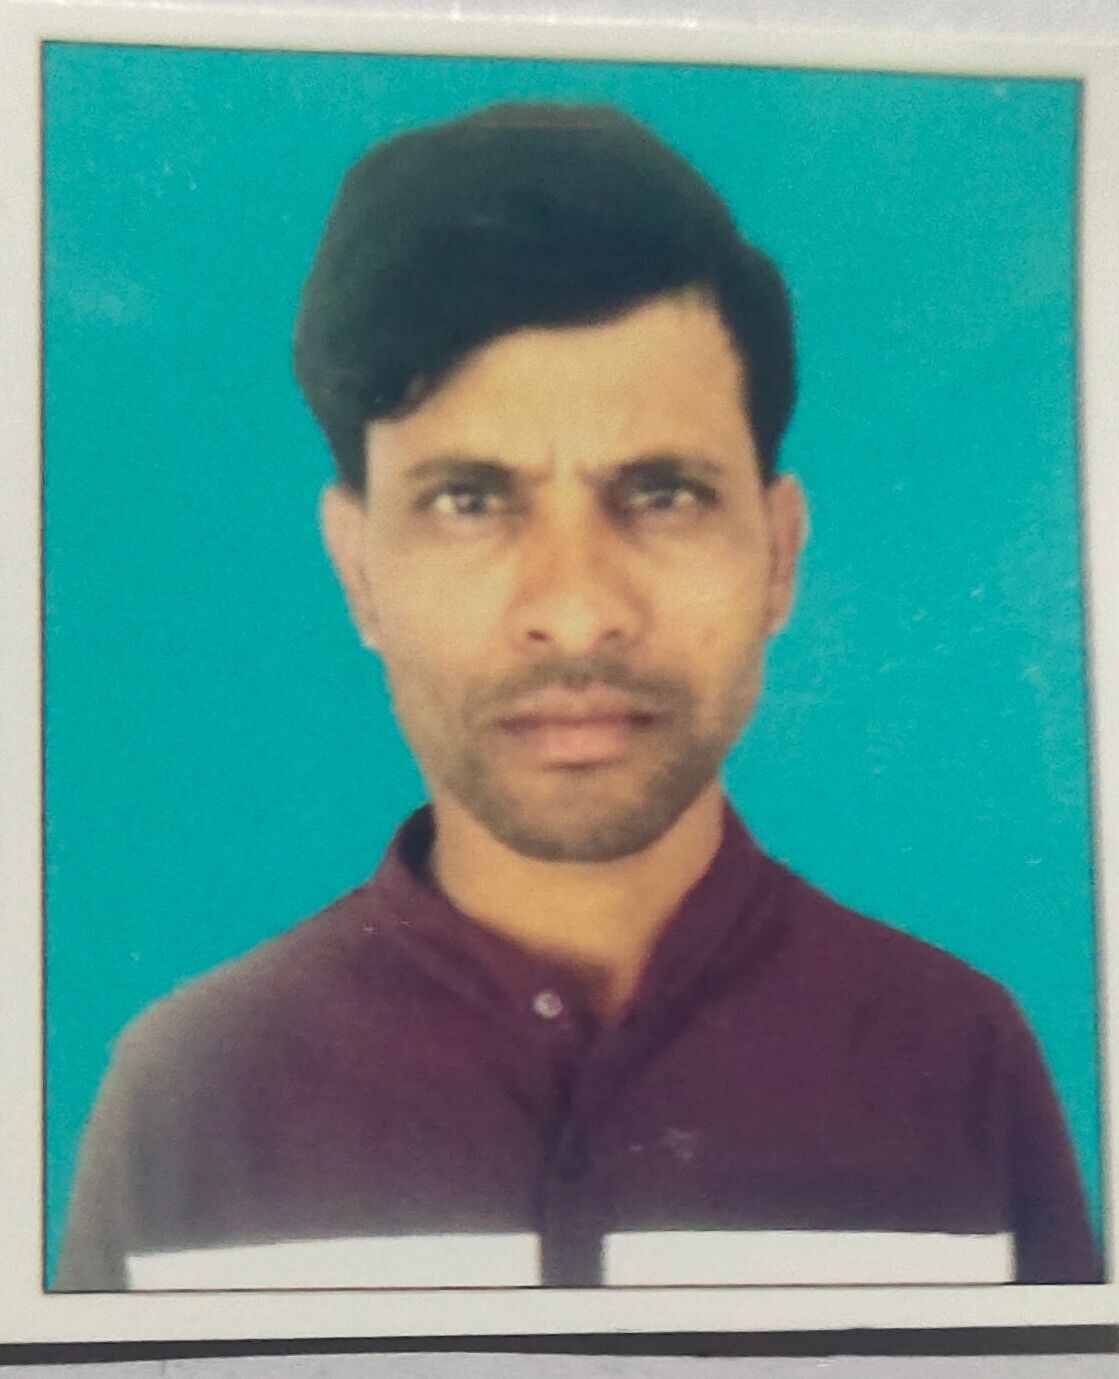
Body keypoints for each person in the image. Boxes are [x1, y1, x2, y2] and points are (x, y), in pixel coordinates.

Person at [55, 101, 1100, 1291]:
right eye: (469, 499)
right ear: (359, 571)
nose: (577, 609)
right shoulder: (186, 1097)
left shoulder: (959, 1063)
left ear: (779, 554)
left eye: (663, 492)